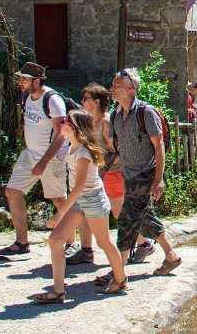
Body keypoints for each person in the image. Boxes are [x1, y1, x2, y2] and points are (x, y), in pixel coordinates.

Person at [29, 109, 128, 303]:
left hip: (92, 200)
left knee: (104, 242)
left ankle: (120, 279)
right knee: (56, 240)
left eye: (65, 121)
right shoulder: (71, 148)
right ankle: (58, 291)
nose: (61, 122)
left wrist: (59, 214)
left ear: (74, 127)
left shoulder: (82, 152)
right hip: (80, 202)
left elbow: (79, 186)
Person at [102, 68, 181, 280]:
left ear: (130, 88)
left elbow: (159, 147)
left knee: (127, 219)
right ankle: (171, 255)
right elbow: (115, 148)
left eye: (116, 86)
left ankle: (118, 272)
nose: (112, 89)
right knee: (145, 216)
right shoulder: (116, 114)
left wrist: (158, 179)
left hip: (145, 174)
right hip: (128, 175)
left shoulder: (146, 113)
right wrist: (103, 170)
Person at [0, 62, 69, 256]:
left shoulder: (53, 100)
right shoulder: (27, 97)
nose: (20, 82)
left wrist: (44, 161)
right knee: (12, 192)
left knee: (59, 199)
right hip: (30, 154)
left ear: (37, 81)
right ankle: (22, 242)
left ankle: (72, 244)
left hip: (52, 157)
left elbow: (61, 134)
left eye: (24, 79)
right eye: (20, 78)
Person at [67, 83, 129, 266]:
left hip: (111, 172)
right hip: (94, 174)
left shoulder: (107, 121)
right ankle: (86, 250)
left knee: (118, 212)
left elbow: (114, 150)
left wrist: (101, 171)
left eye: (85, 99)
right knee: (84, 211)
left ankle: (142, 242)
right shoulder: (87, 121)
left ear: (95, 102)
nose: (81, 102)